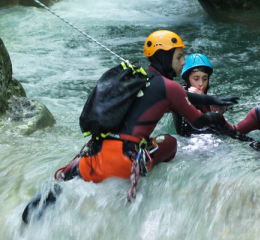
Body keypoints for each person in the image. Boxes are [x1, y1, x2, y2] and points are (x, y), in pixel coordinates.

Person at [77, 31, 229, 183]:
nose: (183, 62)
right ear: (165, 57)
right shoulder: (171, 87)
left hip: (94, 156)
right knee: (170, 142)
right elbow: (198, 122)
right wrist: (217, 117)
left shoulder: (139, 79)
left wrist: (211, 99)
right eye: (179, 56)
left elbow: (182, 96)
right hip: (124, 162)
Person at [173, 53, 226, 137]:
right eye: (196, 79)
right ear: (187, 80)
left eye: (204, 79)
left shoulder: (210, 101)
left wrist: (220, 107)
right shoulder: (178, 96)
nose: (201, 84)